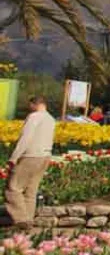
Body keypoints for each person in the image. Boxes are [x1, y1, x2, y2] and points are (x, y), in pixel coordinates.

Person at [3, 96, 56, 230]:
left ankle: (22, 220)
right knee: (31, 190)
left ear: (34, 104)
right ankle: (28, 219)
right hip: (45, 155)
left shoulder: (33, 117)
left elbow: (25, 138)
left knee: (13, 187)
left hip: (31, 155)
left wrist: (14, 157)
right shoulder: (51, 119)